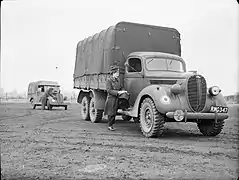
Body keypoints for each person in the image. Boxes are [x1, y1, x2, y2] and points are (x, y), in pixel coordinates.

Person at [104, 65, 127, 131]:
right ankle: (110, 125)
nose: (118, 74)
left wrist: (123, 91)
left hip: (117, 98)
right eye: (117, 73)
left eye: (118, 73)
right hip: (111, 99)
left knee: (114, 112)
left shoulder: (118, 80)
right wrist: (118, 92)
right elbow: (109, 90)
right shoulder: (109, 80)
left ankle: (111, 125)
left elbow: (121, 87)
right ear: (113, 73)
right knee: (111, 112)